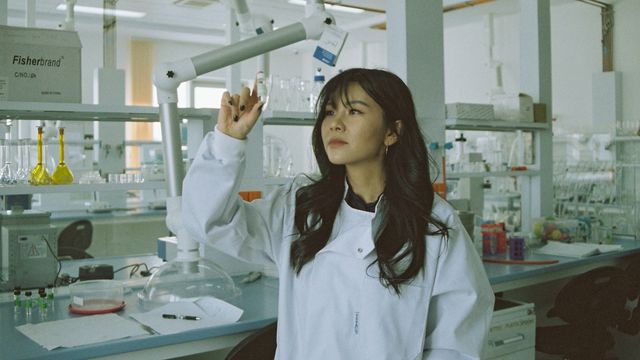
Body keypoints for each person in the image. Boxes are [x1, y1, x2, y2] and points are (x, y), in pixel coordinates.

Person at [182, 68, 494, 359]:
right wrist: (227, 142)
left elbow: (455, 341)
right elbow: (209, 222)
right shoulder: (299, 208)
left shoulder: (433, 223)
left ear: (392, 131)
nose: (335, 123)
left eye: (354, 111)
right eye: (330, 112)